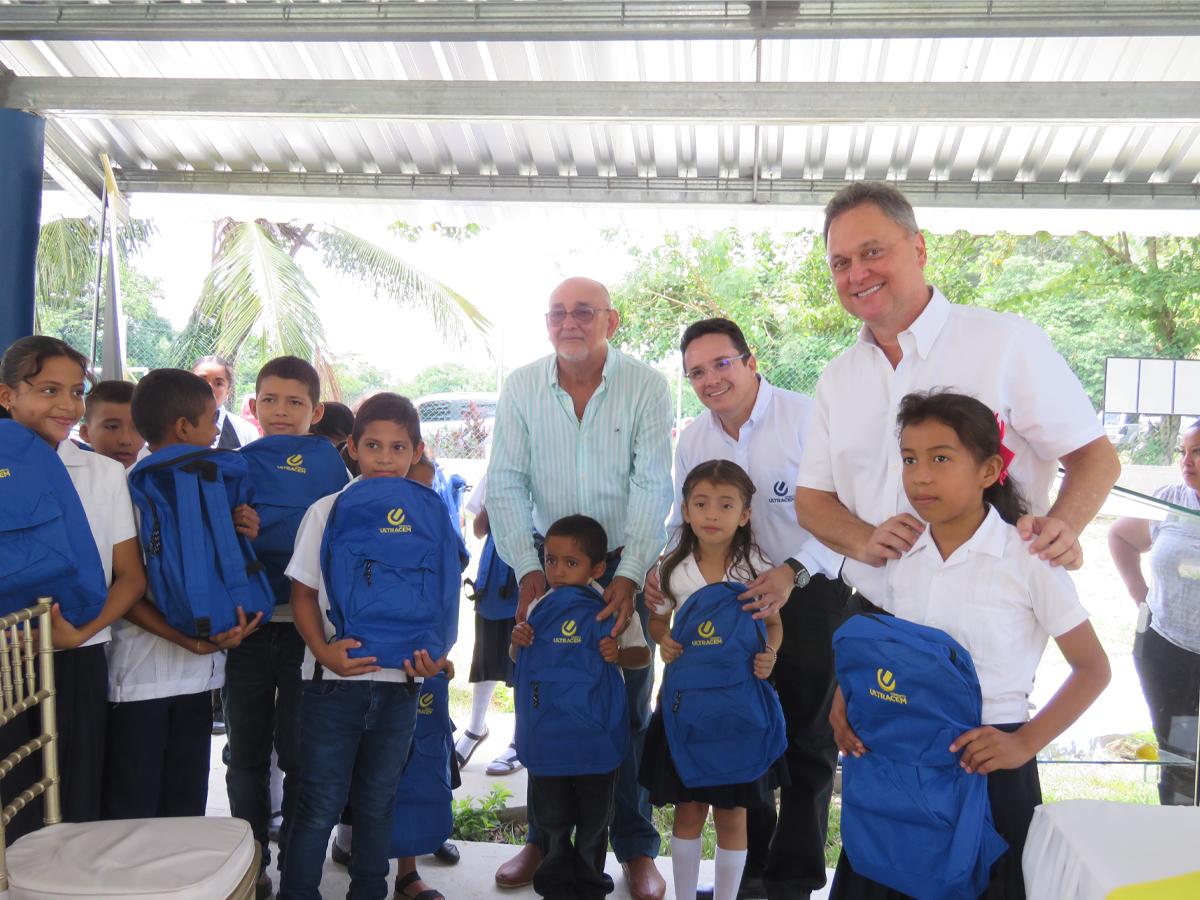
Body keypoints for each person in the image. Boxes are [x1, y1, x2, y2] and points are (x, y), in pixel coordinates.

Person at [829, 390, 1111, 898]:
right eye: (910, 459)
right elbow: (882, 649)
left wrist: (1023, 744)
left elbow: (1093, 668)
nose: (920, 475)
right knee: (887, 876)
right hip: (901, 755)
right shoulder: (903, 553)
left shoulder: (1027, 557)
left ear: (987, 472)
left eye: (941, 458)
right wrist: (844, 700)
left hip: (989, 759)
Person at [795, 181, 1120, 614]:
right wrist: (864, 540)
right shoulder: (837, 379)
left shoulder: (1006, 343)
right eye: (841, 262)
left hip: (987, 611)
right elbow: (812, 500)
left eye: (872, 252)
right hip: (875, 609)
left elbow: (1095, 457)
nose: (856, 274)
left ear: (919, 249)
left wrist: (1060, 529)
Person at [645, 318, 847, 900]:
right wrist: (666, 572)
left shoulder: (805, 418)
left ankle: (794, 880)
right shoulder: (694, 440)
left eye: (721, 363)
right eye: (697, 372)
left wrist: (792, 572)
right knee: (741, 735)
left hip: (804, 595)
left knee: (807, 745)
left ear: (749, 359)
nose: (711, 380)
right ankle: (750, 874)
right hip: (725, 610)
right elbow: (681, 518)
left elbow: (845, 514)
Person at [487, 276, 674, 900]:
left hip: (623, 565)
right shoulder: (521, 387)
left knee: (627, 708)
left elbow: (652, 484)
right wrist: (526, 566)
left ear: (611, 321)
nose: (570, 322)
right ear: (547, 323)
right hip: (548, 567)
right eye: (559, 313)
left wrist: (626, 573)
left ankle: (634, 845)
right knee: (546, 703)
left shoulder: (646, 385)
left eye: (584, 312)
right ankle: (543, 840)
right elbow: (507, 481)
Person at [280, 392, 454, 900]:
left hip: (401, 685)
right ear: (352, 447)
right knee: (318, 803)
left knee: (380, 803)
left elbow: (441, 597)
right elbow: (303, 593)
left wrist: (434, 658)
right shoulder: (327, 509)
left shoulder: (430, 513)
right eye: (373, 445)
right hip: (333, 685)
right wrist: (324, 650)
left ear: (416, 451)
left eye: (397, 448)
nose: (384, 458)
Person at [0, 337, 147, 838]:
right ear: (7, 396)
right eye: (47, 390)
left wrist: (81, 634)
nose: (66, 405)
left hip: (79, 656)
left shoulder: (102, 473)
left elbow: (130, 577)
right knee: (9, 804)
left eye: (75, 391)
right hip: (6, 657)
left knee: (74, 797)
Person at [104, 368, 262, 820]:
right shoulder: (130, 491)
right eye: (212, 420)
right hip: (137, 679)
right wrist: (192, 641)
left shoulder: (211, 488)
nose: (217, 431)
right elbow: (122, 590)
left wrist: (242, 528)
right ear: (183, 427)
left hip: (198, 678)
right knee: (135, 810)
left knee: (185, 808)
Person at [225, 355, 343, 898]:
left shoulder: (332, 467)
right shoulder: (237, 462)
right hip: (247, 627)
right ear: (252, 405)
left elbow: (343, 540)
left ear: (315, 411)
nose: (281, 411)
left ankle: (298, 867)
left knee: (301, 753)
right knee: (246, 752)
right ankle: (251, 865)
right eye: (270, 400)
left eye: (295, 402)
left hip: (305, 629)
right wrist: (236, 527)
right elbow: (211, 545)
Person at [642, 460, 786, 900]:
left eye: (726, 505)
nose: (711, 514)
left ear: (744, 514)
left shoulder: (756, 568)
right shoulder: (672, 567)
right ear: (685, 510)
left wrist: (770, 655)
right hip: (684, 709)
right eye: (701, 503)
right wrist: (663, 639)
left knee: (732, 813)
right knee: (688, 809)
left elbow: (774, 625)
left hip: (738, 709)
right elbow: (656, 620)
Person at [510, 514, 652, 900]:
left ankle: (590, 885)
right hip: (549, 734)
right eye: (551, 560)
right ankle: (555, 885)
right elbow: (519, 659)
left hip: (596, 735)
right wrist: (518, 638)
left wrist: (619, 653)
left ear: (599, 568)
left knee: (594, 820)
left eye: (570, 563)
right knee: (553, 818)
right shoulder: (538, 605)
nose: (557, 571)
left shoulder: (613, 606)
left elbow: (642, 656)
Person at [1108, 421, 1200, 806]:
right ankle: (1179, 842)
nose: (1186, 462)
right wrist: (1140, 596)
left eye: (1197, 452)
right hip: (1167, 651)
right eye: (1183, 451)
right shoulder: (1171, 500)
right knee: (1179, 754)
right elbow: (1120, 536)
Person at [456, 472, 524, 777]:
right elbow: (480, 529)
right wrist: (496, 502)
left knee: (526, 658)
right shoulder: (498, 470)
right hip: (497, 578)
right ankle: (475, 728)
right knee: (486, 653)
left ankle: (520, 740)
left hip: (536, 568)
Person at [193, 354, 261, 449]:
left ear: (228, 391)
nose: (209, 387)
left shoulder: (246, 431)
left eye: (218, 383)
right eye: (201, 380)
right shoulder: (171, 427)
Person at [79, 379, 145, 468]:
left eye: (137, 428)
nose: (125, 440)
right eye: (112, 427)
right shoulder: (70, 476)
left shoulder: (159, 476)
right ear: (85, 433)